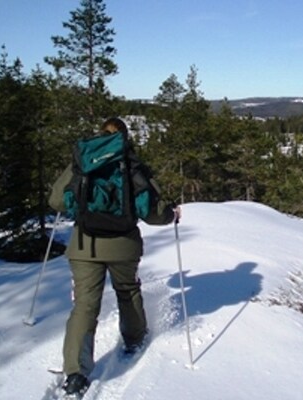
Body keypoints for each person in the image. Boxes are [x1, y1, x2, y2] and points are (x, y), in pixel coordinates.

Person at [48, 117, 180, 397]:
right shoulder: (132, 164)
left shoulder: (82, 160)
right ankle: (134, 339)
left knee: (84, 305)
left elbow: (57, 201)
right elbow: (153, 212)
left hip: (85, 245)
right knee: (127, 290)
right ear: (125, 136)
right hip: (124, 245)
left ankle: (75, 372)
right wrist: (172, 214)